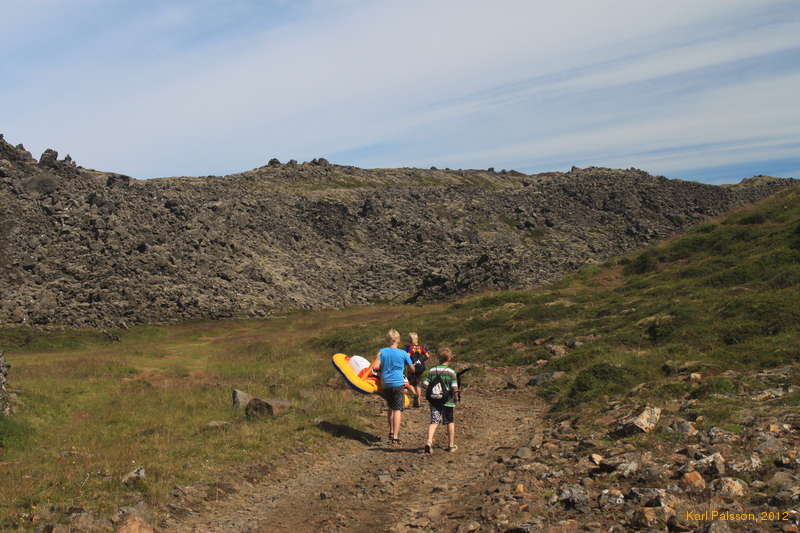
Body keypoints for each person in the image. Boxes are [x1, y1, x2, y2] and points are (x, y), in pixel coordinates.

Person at [366, 329, 415, 444]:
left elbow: (376, 367)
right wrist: (408, 365)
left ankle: (391, 431)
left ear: (387, 340)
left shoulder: (382, 351)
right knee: (397, 410)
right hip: (398, 383)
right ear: (398, 340)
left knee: (390, 407)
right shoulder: (403, 353)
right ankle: (395, 437)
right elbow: (412, 368)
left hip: (386, 383)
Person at [421, 347, 459, 453]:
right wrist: (456, 397)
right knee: (450, 422)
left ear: (438, 358)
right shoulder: (451, 372)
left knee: (434, 421)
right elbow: (454, 387)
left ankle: (429, 442)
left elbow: (424, 384)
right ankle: (451, 445)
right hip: (448, 401)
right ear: (450, 358)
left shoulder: (432, 371)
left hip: (435, 401)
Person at [405, 332, 430, 408]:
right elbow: (427, 356)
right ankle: (418, 402)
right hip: (420, 368)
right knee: (418, 383)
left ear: (409, 340)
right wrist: (421, 360)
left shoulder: (409, 348)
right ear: (417, 339)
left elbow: (407, 356)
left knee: (410, 383)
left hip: (412, 368)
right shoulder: (422, 347)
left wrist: (408, 365)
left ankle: (415, 394)